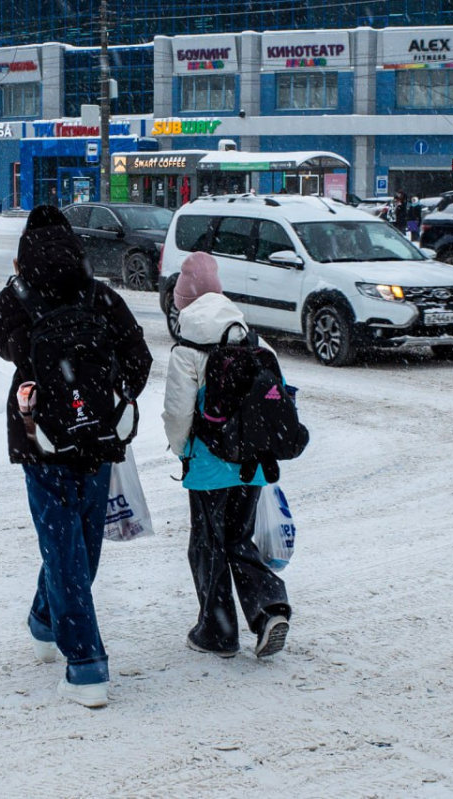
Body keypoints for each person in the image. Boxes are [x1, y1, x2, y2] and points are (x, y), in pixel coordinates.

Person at [0, 205, 152, 708]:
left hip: (41, 436)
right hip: (98, 438)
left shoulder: (17, 295)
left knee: (63, 547)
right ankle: (47, 626)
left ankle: (84, 666)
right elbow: (139, 356)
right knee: (80, 545)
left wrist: (34, 358)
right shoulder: (98, 293)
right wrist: (108, 394)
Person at [162, 252, 291, 659]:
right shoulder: (252, 338)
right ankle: (268, 609)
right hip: (251, 464)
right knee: (239, 538)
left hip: (208, 466)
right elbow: (278, 396)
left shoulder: (187, 349)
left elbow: (178, 413)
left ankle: (217, 632)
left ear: (184, 302)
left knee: (206, 544)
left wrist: (184, 452)